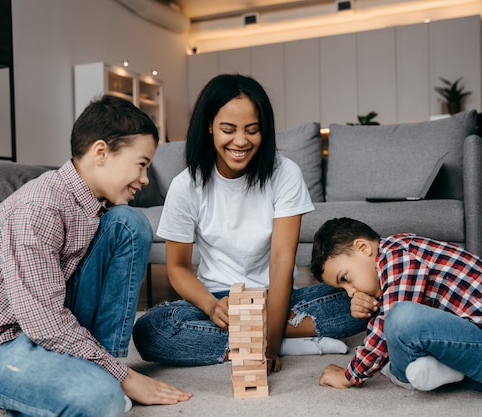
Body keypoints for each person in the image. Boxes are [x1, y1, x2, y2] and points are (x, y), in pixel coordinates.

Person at [0, 95, 192, 417]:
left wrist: (113, 369)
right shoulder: (39, 209)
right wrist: (124, 378)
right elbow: (45, 324)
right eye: (141, 164)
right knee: (99, 400)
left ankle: (102, 366)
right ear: (100, 152)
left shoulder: (94, 201)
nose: (145, 179)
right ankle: (100, 378)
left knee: (129, 224)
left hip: (44, 325)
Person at [132, 74, 366, 372]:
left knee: (362, 300)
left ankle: (259, 339)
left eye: (252, 130)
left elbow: (282, 262)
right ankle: (289, 339)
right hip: (221, 301)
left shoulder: (285, 173)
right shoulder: (186, 185)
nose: (241, 141)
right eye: (228, 130)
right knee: (152, 329)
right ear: (209, 127)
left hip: (277, 297)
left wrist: (268, 346)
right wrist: (211, 306)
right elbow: (177, 267)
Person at [310, 217, 482, 393]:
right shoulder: (399, 257)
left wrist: (350, 375)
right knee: (399, 322)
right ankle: (446, 372)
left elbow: (389, 324)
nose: (351, 292)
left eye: (345, 279)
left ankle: (400, 374)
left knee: (400, 317)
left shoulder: (397, 255)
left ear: (363, 248)